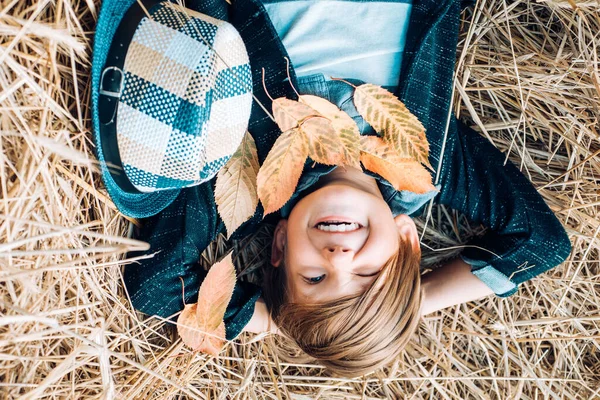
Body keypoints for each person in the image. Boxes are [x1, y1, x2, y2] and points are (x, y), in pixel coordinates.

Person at [98, 0, 572, 377]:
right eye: (368, 276)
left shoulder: (247, 185)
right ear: (407, 238)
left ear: (280, 245)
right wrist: (414, 302)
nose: (339, 259)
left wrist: (260, 318)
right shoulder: (428, 162)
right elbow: (541, 243)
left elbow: (155, 289)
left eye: (315, 279)